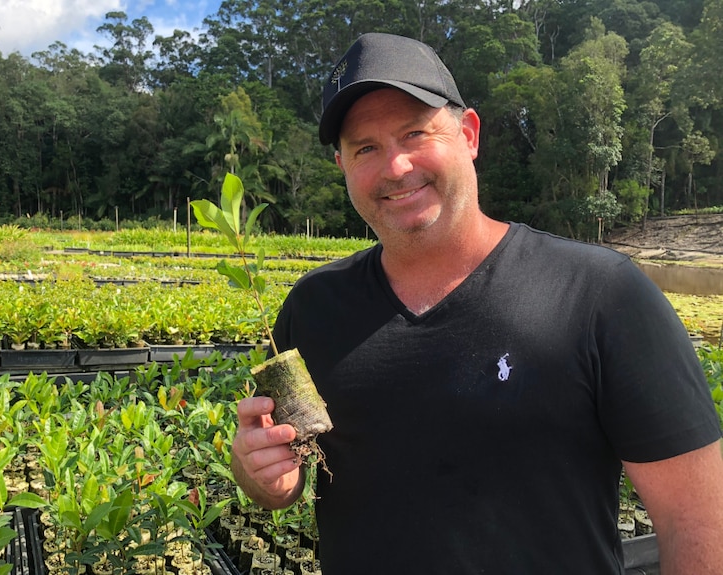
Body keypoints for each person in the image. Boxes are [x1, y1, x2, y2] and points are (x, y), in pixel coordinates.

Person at [231, 32, 723, 574]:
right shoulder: (314, 308)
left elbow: (699, 520)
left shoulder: (601, 295)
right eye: (365, 148)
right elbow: (283, 485)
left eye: (414, 132)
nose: (395, 167)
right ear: (343, 165)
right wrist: (260, 475)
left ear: (468, 134)